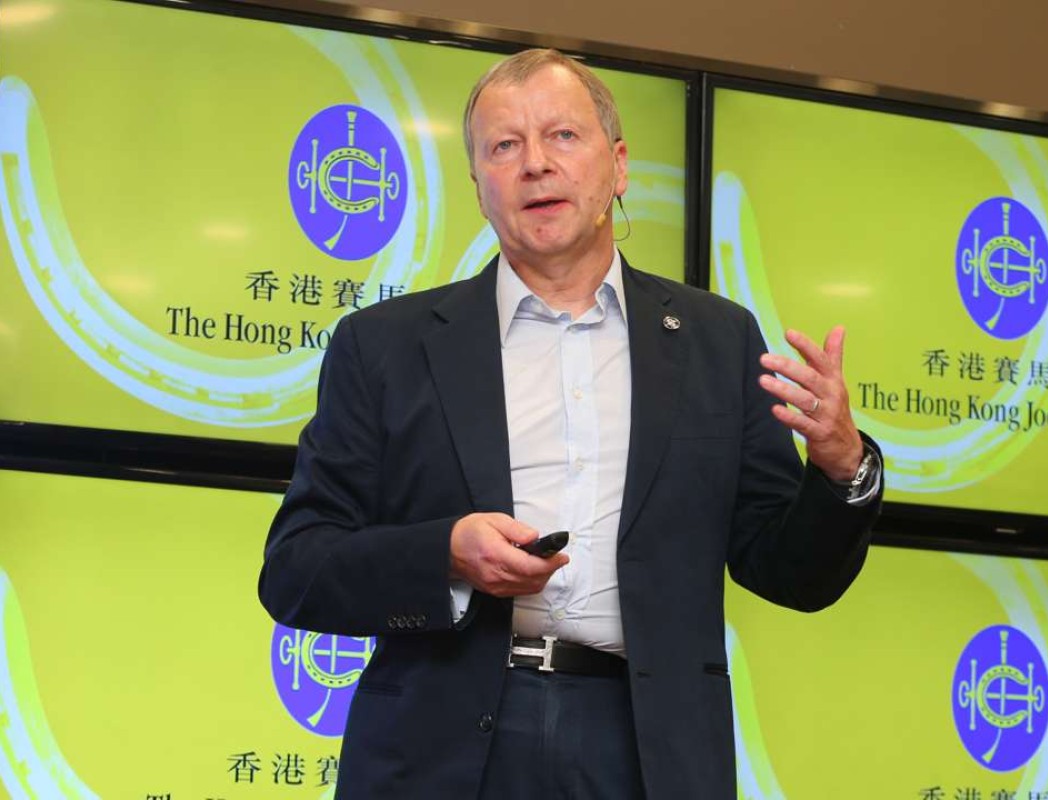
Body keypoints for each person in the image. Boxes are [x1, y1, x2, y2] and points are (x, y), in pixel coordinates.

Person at [259, 48, 882, 799]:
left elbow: (793, 574)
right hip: (440, 749)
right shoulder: (385, 347)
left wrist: (843, 467)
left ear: (617, 166)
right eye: (504, 146)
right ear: (479, 186)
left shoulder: (718, 343)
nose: (535, 166)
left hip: (644, 745)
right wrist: (448, 555)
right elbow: (297, 570)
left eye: (562, 137)